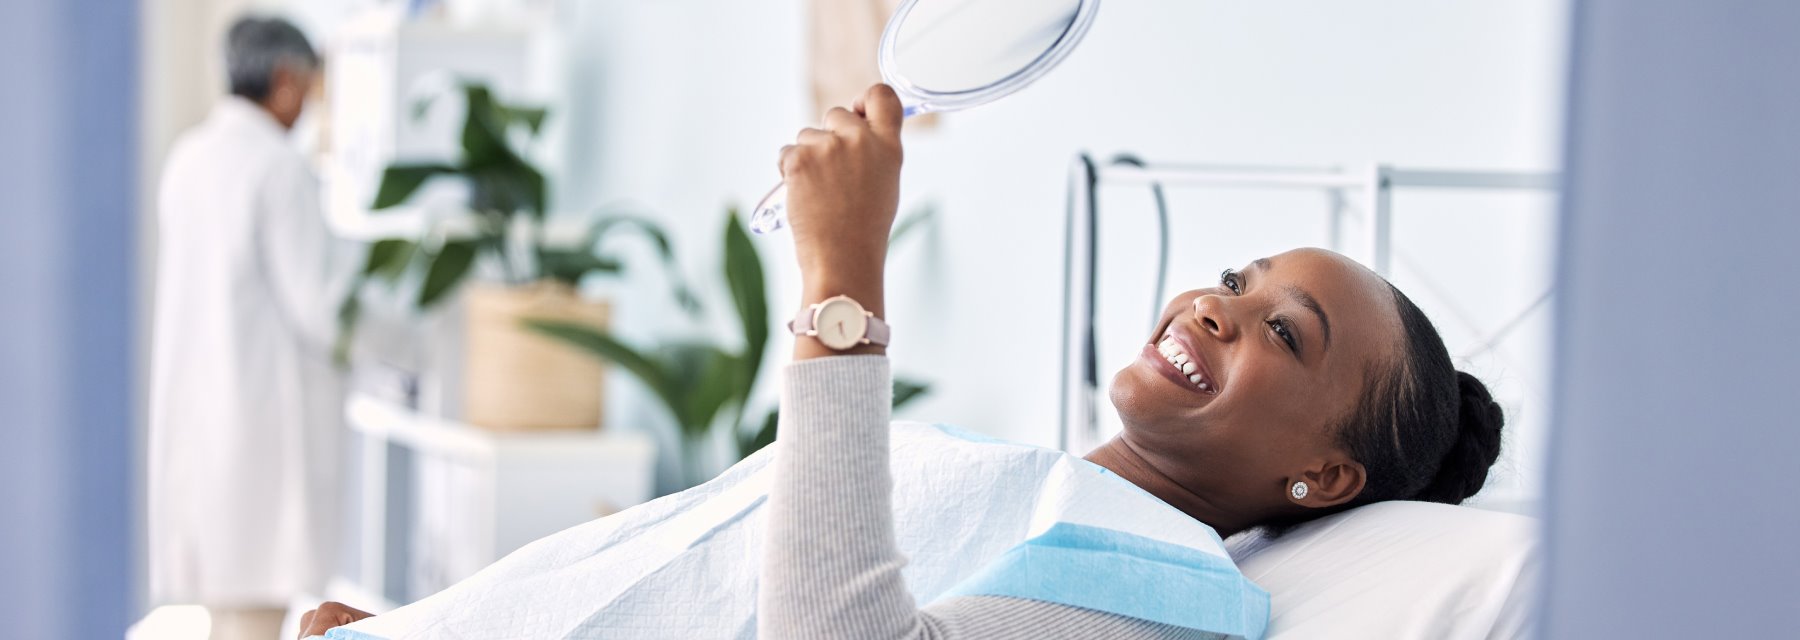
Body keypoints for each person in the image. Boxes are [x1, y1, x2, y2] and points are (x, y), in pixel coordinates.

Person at [300, 84, 1506, 639]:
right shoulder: (1004, 470)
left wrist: (841, 289)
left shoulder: (1166, 597)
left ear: (1328, 478)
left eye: (1286, 332)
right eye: (1238, 280)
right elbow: (696, 573)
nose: (1217, 306)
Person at [150, 15, 350, 640]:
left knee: (228, 617)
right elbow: (318, 309)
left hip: (199, 414)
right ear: (286, 81)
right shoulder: (277, 168)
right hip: (255, 423)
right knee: (253, 620)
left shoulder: (188, 157)